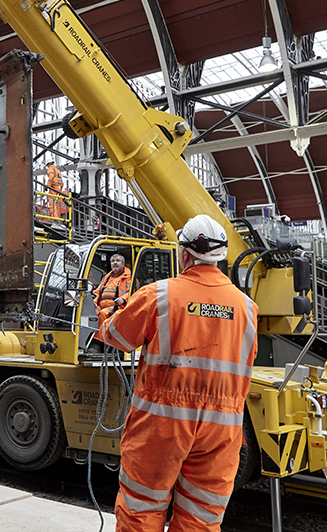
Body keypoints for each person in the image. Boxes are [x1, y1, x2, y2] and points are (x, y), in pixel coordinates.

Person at [99, 214, 258, 532]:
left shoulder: (158, 296)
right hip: (221, 429)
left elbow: (117, 336)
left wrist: (107, 310)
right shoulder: (247, 308)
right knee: (201, 520)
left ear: (184, 254)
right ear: (220, 255)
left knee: (141, 511)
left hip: (163, 423)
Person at [86, 253, 131, 355]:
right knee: (86, 313)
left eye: (117, 260)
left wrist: (123, 299)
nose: (115, 263)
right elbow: (97, 291)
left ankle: (98, 343)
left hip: (118, 307)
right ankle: (87, 341)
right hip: (101, 305)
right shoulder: (107, 277)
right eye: (113, 261)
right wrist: (93, 302)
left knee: (103, 314)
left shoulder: (128, 277)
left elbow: (132, 292)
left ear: (123, 264)